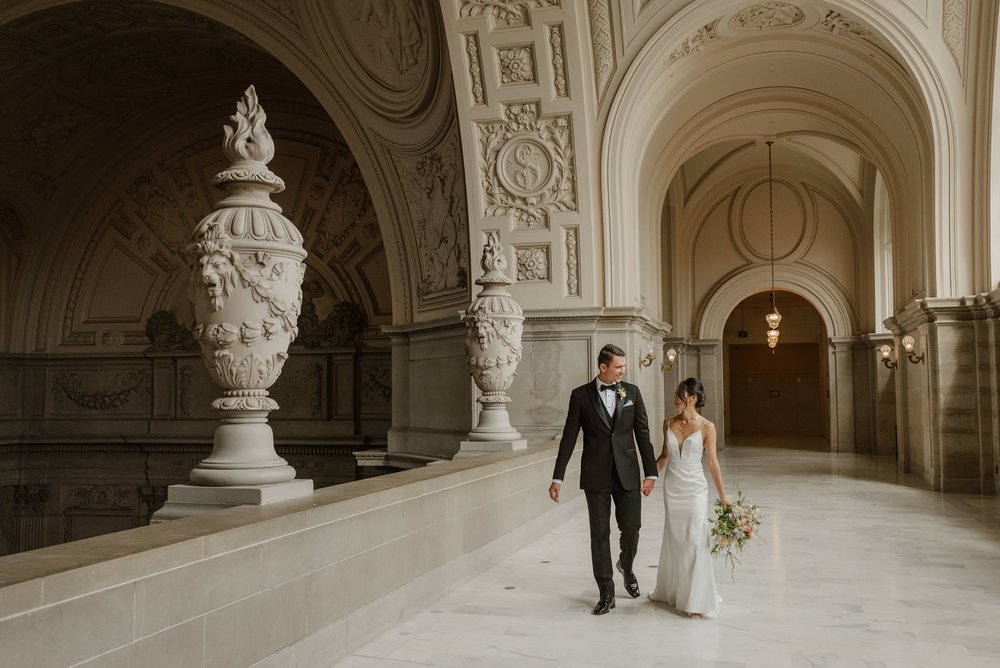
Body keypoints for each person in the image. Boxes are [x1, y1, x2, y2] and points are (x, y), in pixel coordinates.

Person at [549, 344, 658, 615]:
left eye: (624, 366)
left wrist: (651, 473)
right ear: (603, 367)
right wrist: (557, 477)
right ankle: (606, 591)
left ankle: (627, 566)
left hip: (628, 474)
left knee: (632, 529)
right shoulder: (580, 396)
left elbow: (642, 434)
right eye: (619, 366)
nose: (623, 371)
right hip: (596, 476)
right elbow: (569, 439)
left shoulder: (631, 392)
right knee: (599, 534)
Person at [649, 377, 731, 618]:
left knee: (696, 540)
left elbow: (713, 463)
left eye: (679, 393)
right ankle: (675, 591)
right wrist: (649, 478)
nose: (674, 397)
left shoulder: (707, 427)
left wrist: (723, 495)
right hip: (672, 487)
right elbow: (664, 457)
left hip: (695, 489)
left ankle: (697, 600)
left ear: (692, 398)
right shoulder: (668, 423)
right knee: (676, 540)